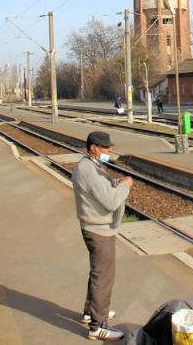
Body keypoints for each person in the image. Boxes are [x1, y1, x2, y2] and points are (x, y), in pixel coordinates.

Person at [71, 131, 134, 341]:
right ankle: (98, 326)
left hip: (95, 226)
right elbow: (110, 202)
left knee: (97, 273)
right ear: (93, 148)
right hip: (99, 231)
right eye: (105, 148)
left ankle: (91, 312)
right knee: (103, 276)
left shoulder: (89, 165)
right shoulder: (88, 169)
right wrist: (124, 186)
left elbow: (98, 192)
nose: (109, 151)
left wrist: (114, 184)